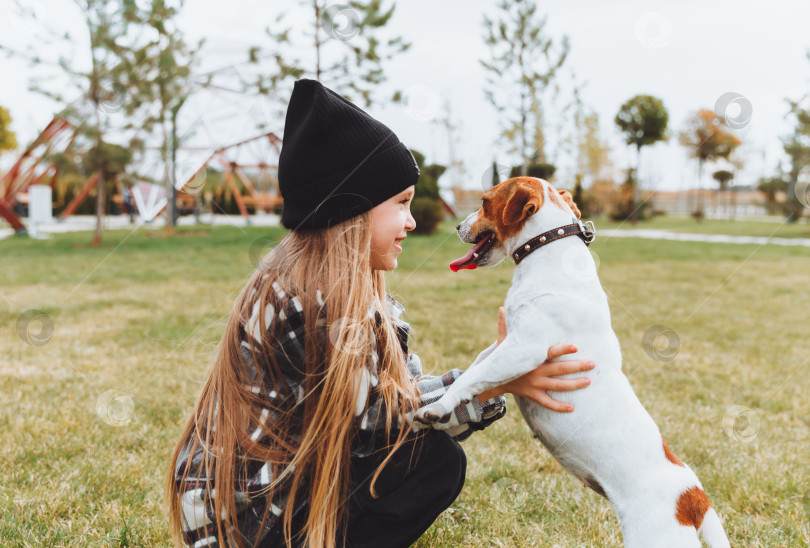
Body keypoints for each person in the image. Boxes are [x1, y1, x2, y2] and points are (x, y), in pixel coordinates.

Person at [166, 79, 595, 548]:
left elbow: (400, 396)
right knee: (432, 461)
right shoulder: (314, 303)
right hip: (246, 525)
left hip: (276, 502)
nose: (411, 221)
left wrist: (490, 370)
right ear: (352, 211)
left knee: (431, 457)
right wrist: (491, 380)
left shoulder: (348, 289)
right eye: (401, 203)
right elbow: (382, 423)